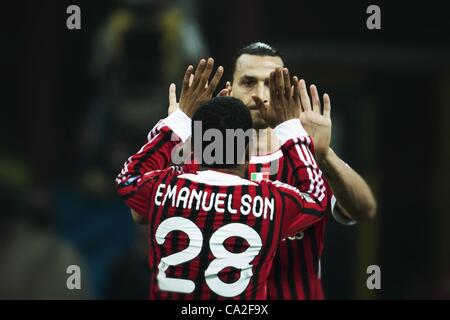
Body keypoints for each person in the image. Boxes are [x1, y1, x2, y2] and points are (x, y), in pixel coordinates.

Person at [168, 43, 377, 299]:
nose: (260, 94)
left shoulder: (306, 155)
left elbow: (364, 209)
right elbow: (143, 214)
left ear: (286, 92)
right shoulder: (201, 159)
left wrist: (324, 155)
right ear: (230, 89)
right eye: (248, 82)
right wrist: (179, 139)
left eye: (271, 83)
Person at [116, 58, 329, 299]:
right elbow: (317, 196)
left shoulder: (165, 186)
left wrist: (179, 121)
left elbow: (129, 177)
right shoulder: (270, 201)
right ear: (247, 149)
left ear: (196, 144)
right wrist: (290, 127)